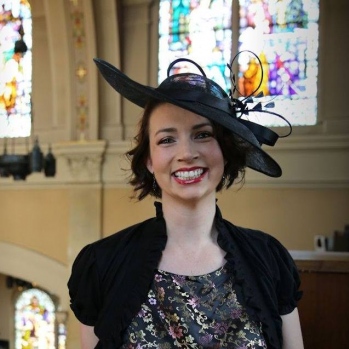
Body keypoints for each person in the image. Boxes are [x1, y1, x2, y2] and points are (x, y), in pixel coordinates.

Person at [68, 54, 304, 349]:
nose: (186, 153)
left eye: (202, 134)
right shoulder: (101, 264)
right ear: (150, 160)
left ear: (226, 151)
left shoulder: (268, 257)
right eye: (167, 139)